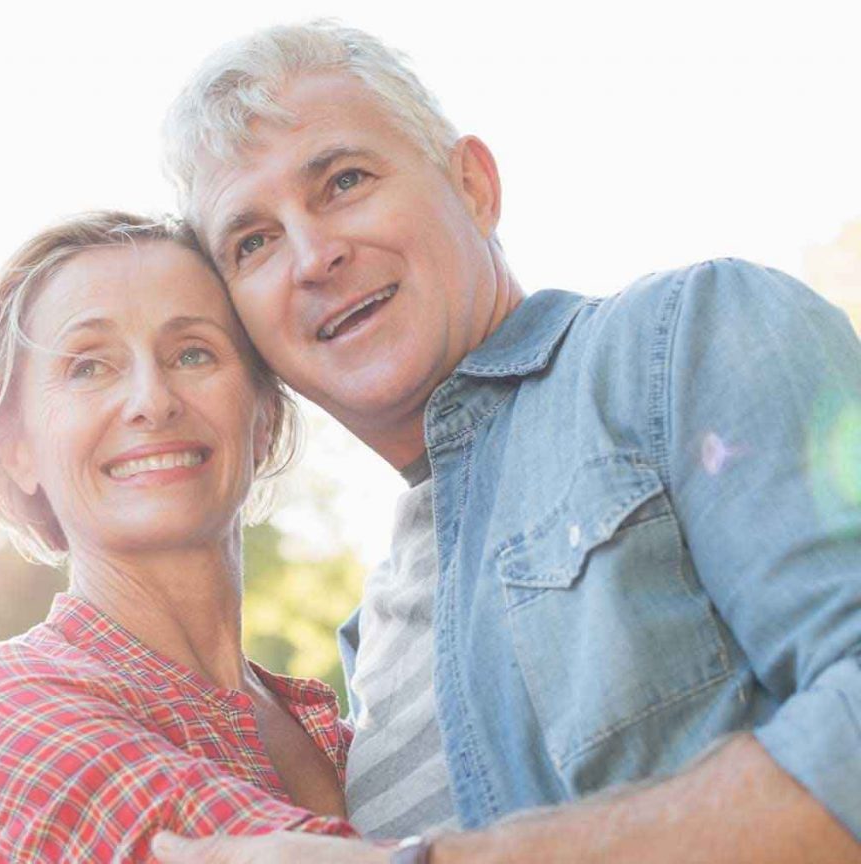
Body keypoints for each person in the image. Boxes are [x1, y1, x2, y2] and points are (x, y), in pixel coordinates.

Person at [152, 22, 861, 864]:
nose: (312, 256)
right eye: (254, 241)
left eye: (344, 180)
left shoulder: (683, 340)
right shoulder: (372, 638)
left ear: (474, 186)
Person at [0, 212, 360, 861]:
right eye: (89, 366)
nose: (152, 400)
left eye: (192, 353)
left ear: (263, 416)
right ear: (18, 451)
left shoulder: (344, 738)